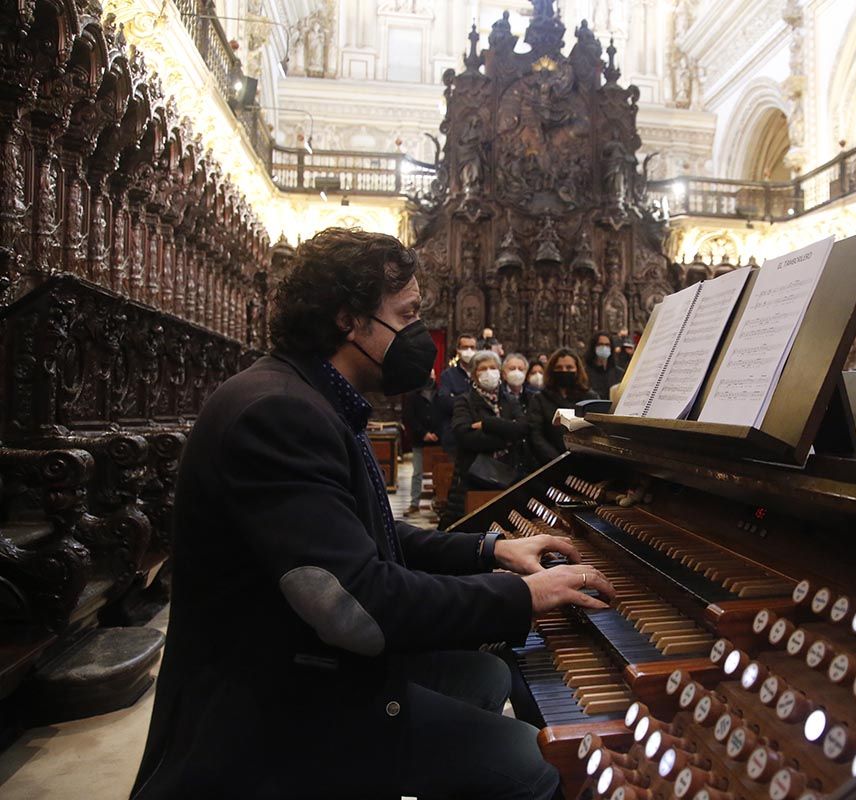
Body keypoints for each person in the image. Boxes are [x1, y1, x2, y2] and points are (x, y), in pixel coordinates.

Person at [131, 228, 614, 800]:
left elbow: (368, 535)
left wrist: (492, 549)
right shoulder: (279, 413)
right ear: (347, 318)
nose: (417, 335)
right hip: (277, 705)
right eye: (406, 314)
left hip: (307, 662)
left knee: (486, 673)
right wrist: (523, 597)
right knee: (533, 767)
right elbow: (356, 604)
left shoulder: (309, 394)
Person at [440, 351, 531, 529]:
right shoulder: (464, 401)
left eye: (493, 368)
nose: (489, 372)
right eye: (483, 369)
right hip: (474, 477)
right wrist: (506, 439)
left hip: (508, 475)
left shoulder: (510, 401)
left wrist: (488, 424)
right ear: (474, 374)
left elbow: (522, 429)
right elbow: (465, 436)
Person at [527, 348, 599, 466]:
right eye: (559, 368)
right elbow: (536, 434)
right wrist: (557, 460)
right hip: (551, 463)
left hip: (585, 462)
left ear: (577, 370)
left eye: (569, 368)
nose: (564, 371)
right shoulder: (540, 398)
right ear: (552, 370)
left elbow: (597, 430)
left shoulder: (590, 397)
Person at [400, 370, 438, 515]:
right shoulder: (412, 395)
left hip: (438, 439)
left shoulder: (440, 393)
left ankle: (438, 501)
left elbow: (443, 414)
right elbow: (409, 417)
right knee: (417, 472)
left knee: (441, 472)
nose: (430, 376)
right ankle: (414, 503)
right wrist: (424, 433)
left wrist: (437, 433)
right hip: (420, 440)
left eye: (432, 373)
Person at [433, 332, 476, 452]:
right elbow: (444, 402)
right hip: (454, 435)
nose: (469, 351)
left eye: (472, 347)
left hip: (477, 435)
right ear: (458, 350)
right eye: (465, 347)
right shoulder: (448, 375)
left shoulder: (481, 374)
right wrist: (473, 404)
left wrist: (458, 398)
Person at [585, 331, 625, 400]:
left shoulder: (619, 373)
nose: (604, 347)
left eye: (607, 345)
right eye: (600, 344)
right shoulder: (585, 373)